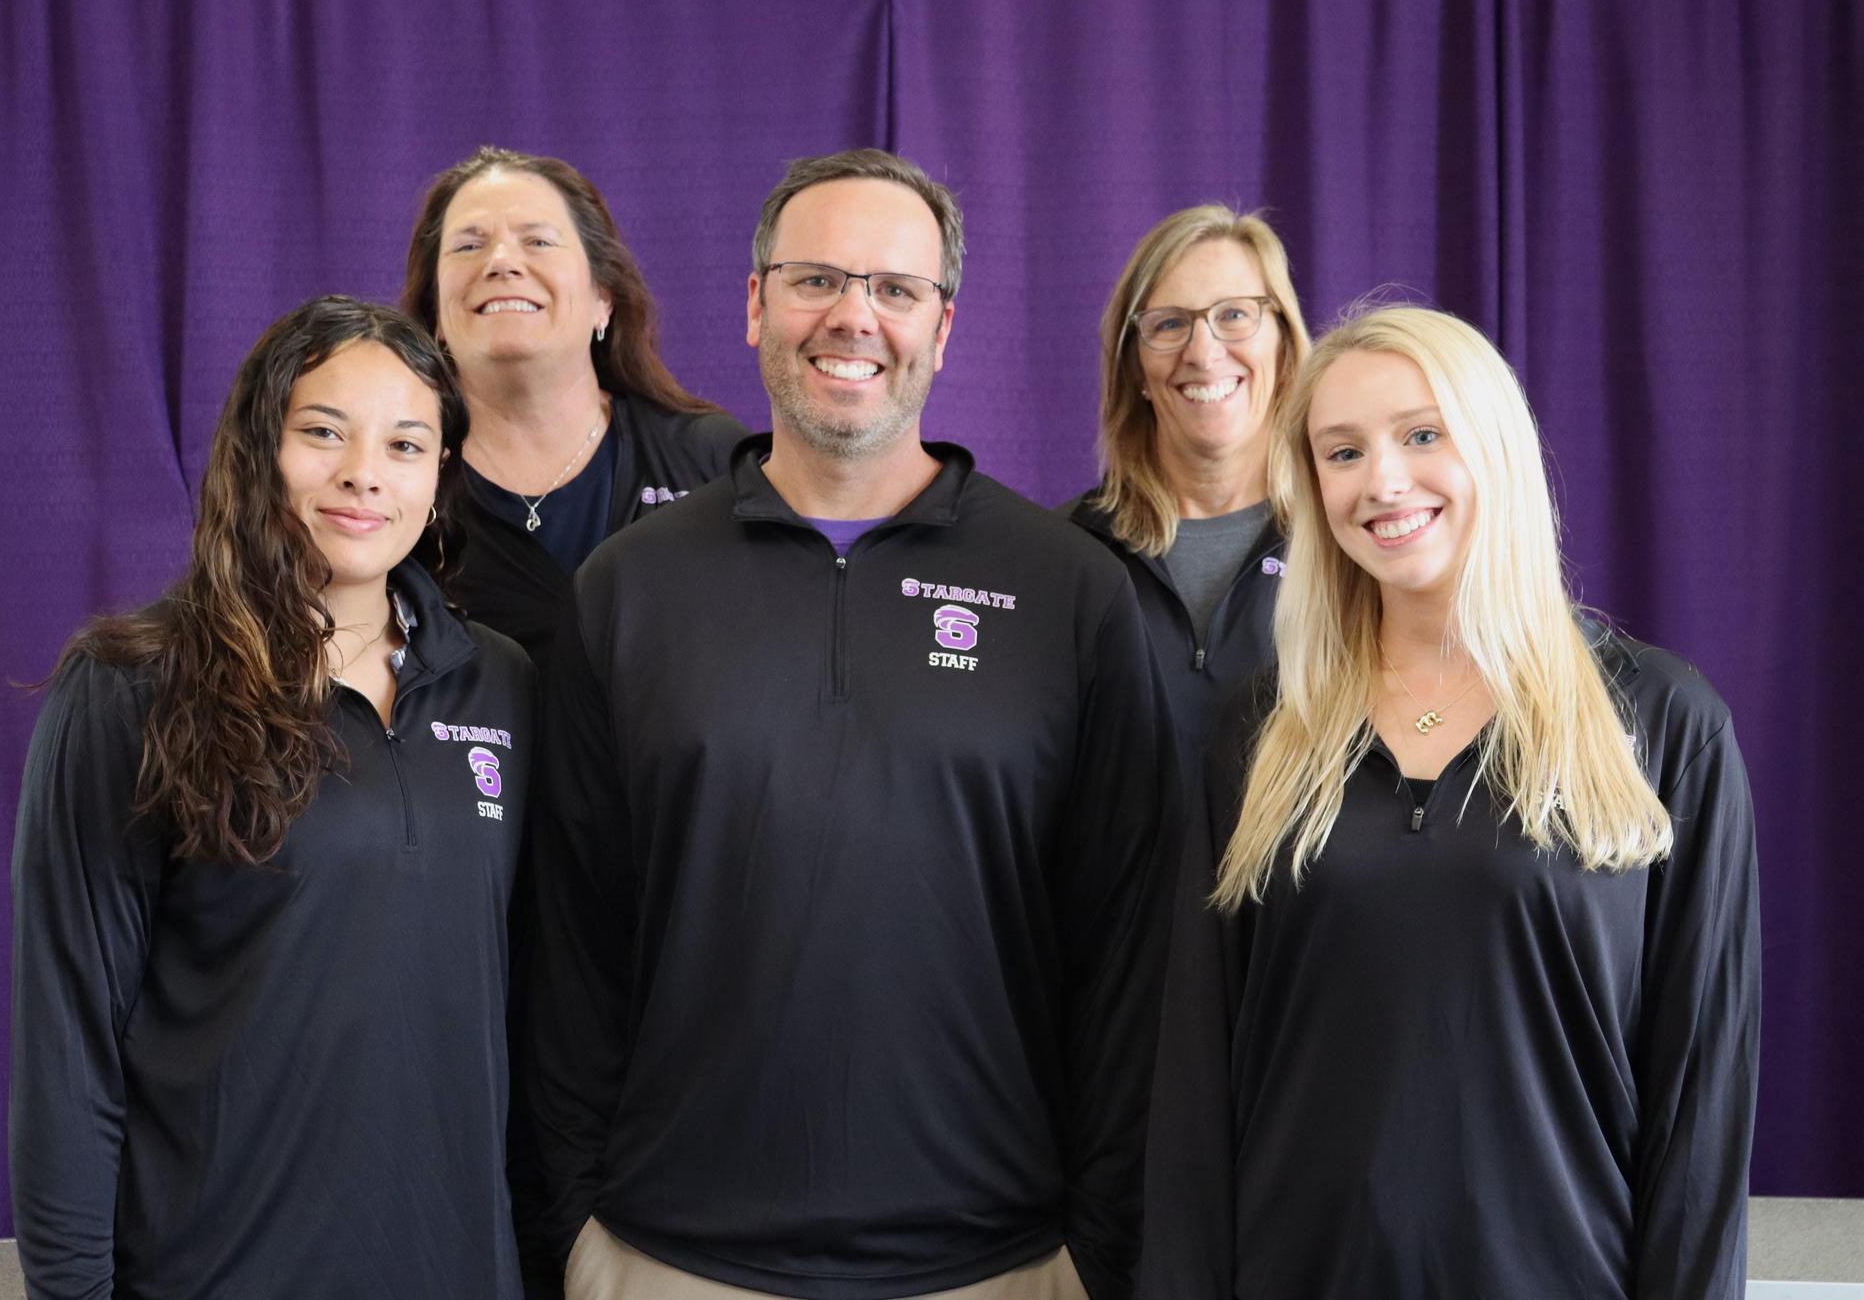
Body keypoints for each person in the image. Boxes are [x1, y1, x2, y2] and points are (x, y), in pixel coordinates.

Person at [523, 150, 1169, 1300]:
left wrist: (1096, 1248)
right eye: (817, 278)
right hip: (668, 1257)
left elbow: (1124, 953)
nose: (854, 317)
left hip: (1001, 1264)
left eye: (893, 288)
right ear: (758, 301)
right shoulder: (628, 589)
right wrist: (577, 1228)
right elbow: (570, 939)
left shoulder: (1068, 590)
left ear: (944, 322)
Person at [1141, 306, 1760, 1299]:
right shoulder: (1258, 733)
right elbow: (1193, 1088)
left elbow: (1700, 1102)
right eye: (1342, 451)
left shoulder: (1665, 726)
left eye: (1422, 434)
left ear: (1496, 446)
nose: (1382, 480)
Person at [10, 297, 536, 1299]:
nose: (363, 474)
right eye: (322, 431)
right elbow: (67, 1043)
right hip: (214, 1273)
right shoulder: (131, 684)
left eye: (406, 443)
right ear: (259, 446)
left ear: (441, 477)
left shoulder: (500, 685)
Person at [401, 145, 748, 667]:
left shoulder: (715, 462)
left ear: (603, 297)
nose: (500, 262)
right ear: (436, 315)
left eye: (538, 241)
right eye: (469, 246)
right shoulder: (394, 477)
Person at [1063, 205, 1310, 768]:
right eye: (1169, 324)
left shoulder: (1349, 548)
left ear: (1284, 345)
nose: (1202, 353)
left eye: (1235, 315)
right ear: (1136, 369)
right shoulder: (1065, 556)